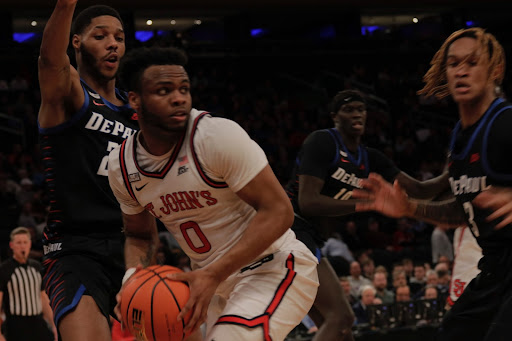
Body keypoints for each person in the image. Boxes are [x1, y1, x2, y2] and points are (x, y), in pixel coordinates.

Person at [108, 46, 319, 341]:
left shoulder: (214, 137)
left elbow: (279, 210)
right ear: (134, 100)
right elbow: (140, 236)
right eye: (164, 90)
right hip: (214, 284)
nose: (179, 97)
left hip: (273, 266)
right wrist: (133, 280)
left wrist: (213, 273)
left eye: (184, 88)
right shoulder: (122, 166)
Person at [353, 27, 512, 341]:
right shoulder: (461, 136)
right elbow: (463, 209)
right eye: (454, 64)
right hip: (497, 270)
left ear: (494, 70)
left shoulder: (504, 123)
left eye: (472, 62)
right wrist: (409, 208)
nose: (461, 71)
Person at [284, 88, 450, 341]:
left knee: (342, 329)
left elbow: (419, 189)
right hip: (292, 231)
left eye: (361, 109)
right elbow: (308, 202)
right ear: (334, 116)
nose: (357, 114)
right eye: (348, 109)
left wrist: (454, 170)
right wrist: (364, 204)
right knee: (342, 318)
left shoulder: (371, 158)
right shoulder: (322, 142)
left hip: (311, 240)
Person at [37, 2, 139, 340]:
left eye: (120, 38)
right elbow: (51, 61)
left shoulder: (137, 112)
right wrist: (66, 5)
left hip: (132, 245)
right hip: (75, 250)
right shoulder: (70, 95)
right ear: (77, 41)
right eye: (101, 36)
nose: (113, 43)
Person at [0, 227, 57, 341]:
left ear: (30, 244)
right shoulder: (4, 269)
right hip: (15, 325)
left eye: (25, 242)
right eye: (19, 243)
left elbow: (43, 298)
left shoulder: (36, 266)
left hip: (37, 322)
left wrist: (53, 325)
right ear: (12, 245)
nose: (22, 246)